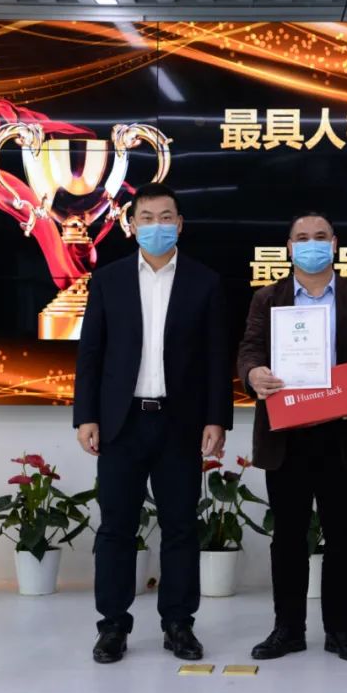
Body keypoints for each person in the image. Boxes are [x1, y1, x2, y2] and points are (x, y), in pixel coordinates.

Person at [74, 182, 233, 665]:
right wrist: (86, 415)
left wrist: (217, 419)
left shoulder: (205, 282)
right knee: (116, 528)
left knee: (181, 526)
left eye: (166, 217)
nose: (157, 226)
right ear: (132, 225)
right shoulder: (109, 280)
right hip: (121, 423)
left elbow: (216, 357)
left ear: (180, 225)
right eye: (147, 217)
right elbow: (91, 353)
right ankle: (112, 626)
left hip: (180, 423)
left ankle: (178, 624)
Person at [237, 212, 347, 664]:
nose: (311, 244)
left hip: (343, 434)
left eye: (320, 237)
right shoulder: (267, 298)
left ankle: (341, 630)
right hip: (288, 437)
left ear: (335, 244)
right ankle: (288, 629)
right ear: (289, 247)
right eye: (302, 238)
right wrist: (253, 374)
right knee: (288, 538)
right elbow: (249, 349)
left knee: (342, 539)